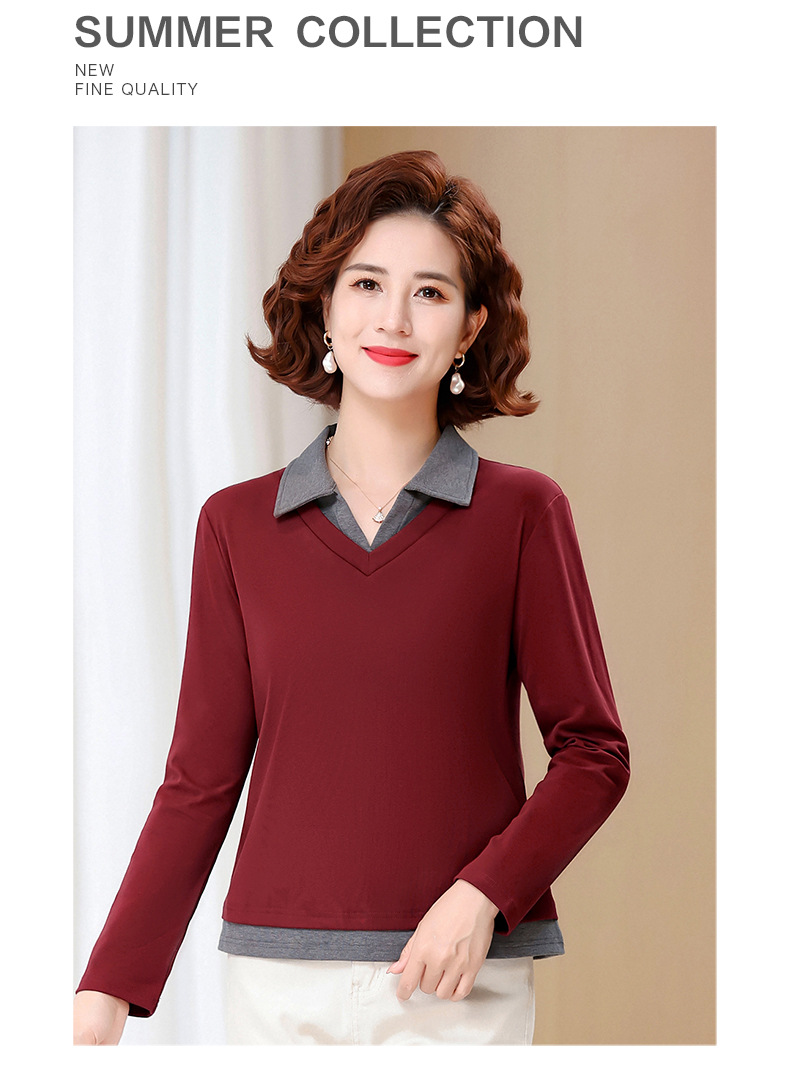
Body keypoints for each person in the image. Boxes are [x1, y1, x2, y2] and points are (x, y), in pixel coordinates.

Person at [73, 149, 630, 1046]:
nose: (394, 318)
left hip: (459, 983)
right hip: (276, 988)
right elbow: (200, 780)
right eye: (367, 284)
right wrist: (106, 990)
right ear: (326, 307)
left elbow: (595, 752)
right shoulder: (236, 526)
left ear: (469, 326)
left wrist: (484, 894)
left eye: (430, 293)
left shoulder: (523, 514)